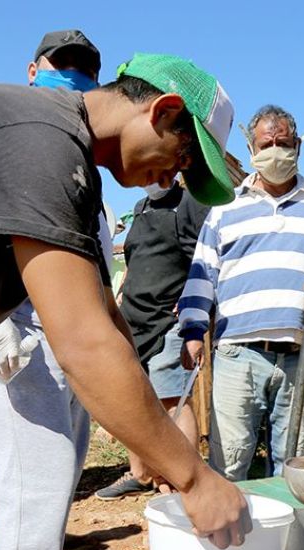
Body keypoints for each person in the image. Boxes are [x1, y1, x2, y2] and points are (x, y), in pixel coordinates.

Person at [0, 52, 251, 550]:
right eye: (183, 157)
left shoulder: (75, 170)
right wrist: (193, 476)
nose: (173, 178)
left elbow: (107, 318)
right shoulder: (41, 137)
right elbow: (82, 342)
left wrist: (147, 438)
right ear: (163, 110)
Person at [0, 30, 110, 550]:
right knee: (30, 477)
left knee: (46, 483)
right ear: (33, 69)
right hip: (16, 335)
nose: (72, 78)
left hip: (64, 333)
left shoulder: (75, 151)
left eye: (83, 70)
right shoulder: (16, 130)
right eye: (62, 66)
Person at [179, 105, 304, 480]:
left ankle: (288, 537)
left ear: (299, 146)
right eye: (267, 144)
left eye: (284, 143)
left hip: (299, 354)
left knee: (294, 465)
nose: (276, 151)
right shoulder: (224, 207)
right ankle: (235, 539)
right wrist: (193, 331)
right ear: (251, 148)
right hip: (237, 354)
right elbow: (202, 274)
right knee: (229, 464)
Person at [94, 176, 208, 500]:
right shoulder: (140, 208)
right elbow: (133, 261)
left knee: (173, 399)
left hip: (167, 320)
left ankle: (187, 478)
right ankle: (141, 473)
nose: (150, 178)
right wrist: (118, 297)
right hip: (133, 320)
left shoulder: (189, 204)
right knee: (133, 397)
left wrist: (191, 298)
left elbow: (206, 259)